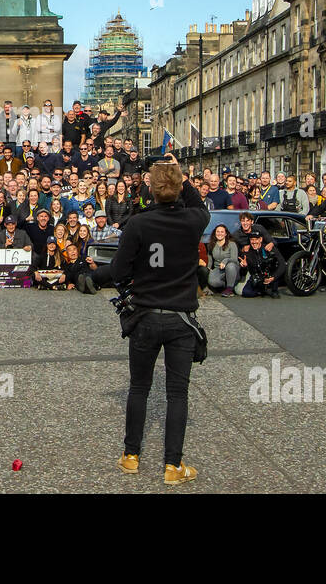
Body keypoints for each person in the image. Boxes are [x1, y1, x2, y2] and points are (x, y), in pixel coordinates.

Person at [110, 153, 210, 486]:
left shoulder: (138, 223)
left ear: (151, 190)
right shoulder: (194, 220)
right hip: (182, 318)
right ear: (179, 187)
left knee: (139, 387)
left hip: (146, 316)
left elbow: (119, 271)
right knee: (177, 394)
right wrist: (178, 172)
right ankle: (172, 466)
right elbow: (198, 204)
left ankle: (131, 456)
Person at [239, 232, 284, 298]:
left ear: (261, 239)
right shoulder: (247, 251)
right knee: (246, 293)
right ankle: (261, 290)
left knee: (274, 264)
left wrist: (273, 277)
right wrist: (244, 267)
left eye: (256, 239)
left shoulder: (268, 248)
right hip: (258, 276)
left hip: (271, 275)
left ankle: (274, 290)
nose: (254, 242)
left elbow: (282, 264)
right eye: (252, 240)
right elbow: (243, 273)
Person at [202, 224, 239, 295]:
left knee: (230, 265)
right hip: (218, 269)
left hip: (232, 268)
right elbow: (210, 258)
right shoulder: (212, 244)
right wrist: (209, 268)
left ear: (225, 234)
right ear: (215, 233)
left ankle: (229, 289)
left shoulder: (232, 244)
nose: (220, 234)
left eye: (222, 232)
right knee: (212, 282)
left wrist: (225, 261)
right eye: (218, 232)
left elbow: (234, 259)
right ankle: (225, 285)